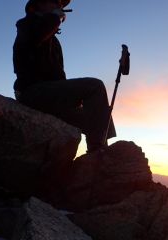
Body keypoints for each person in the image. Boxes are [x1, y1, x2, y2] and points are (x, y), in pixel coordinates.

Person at [13, 0, 116, 153]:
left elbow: (58, 79)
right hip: (32, 93)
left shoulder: (53, 41)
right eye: (54, 2)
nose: (59, 5)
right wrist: (54, 18)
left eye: (61, 4)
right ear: (38, 5)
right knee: (95, 86)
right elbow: (35, 37)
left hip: (49, 97)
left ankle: (101, 151)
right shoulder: (26, 26)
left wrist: (74, 101)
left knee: (96, 113)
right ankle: (97, 149)